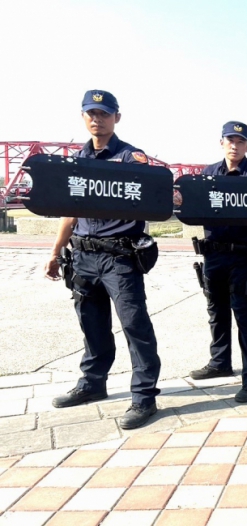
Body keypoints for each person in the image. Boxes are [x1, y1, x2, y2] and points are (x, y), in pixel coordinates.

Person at [44, 90, 160, 430]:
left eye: (104, 114)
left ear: (116, 118)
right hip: (82, 256)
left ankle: (144, 398)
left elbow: (153, 198)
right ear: (83, 117)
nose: (97, 119)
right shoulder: (77, 161)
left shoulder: (130, 159)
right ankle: (93, 383)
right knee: (91, 323)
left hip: (120, 257)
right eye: (91, 113)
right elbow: (69, 211)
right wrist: (54, 253)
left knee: (134, 325)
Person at [188, 122, 247, 403]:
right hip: (213, 255)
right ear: (221, 142)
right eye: (230, 140)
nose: (234, 145)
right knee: (216, 310)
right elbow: (193, 209)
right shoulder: (207, 174)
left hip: (243, 256)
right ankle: (220, 362)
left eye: (240, 141)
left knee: (245, 314)